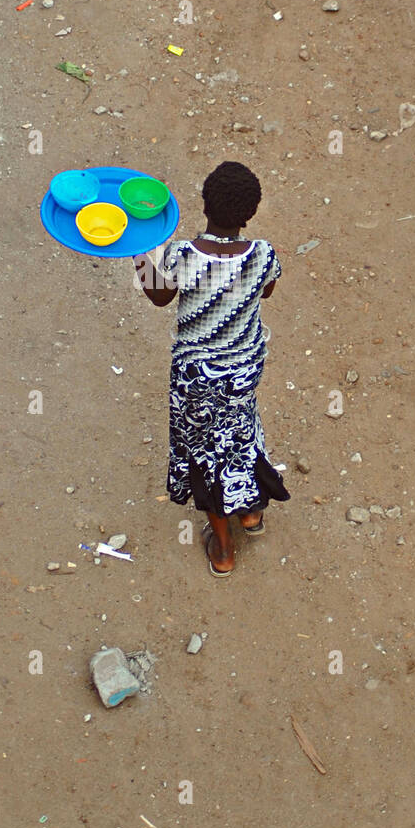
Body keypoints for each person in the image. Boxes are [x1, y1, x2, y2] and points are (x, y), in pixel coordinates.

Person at [133, 161, 289, 577]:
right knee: (240, 434)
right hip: (242, 372)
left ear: (204, 203)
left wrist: (137, 252)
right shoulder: (263, 255)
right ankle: (252, 513)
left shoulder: (183, 254)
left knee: (205, 455)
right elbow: (267, 288)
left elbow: (160, 297)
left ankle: (222, 549)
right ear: (250, 213)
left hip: (196, 377)